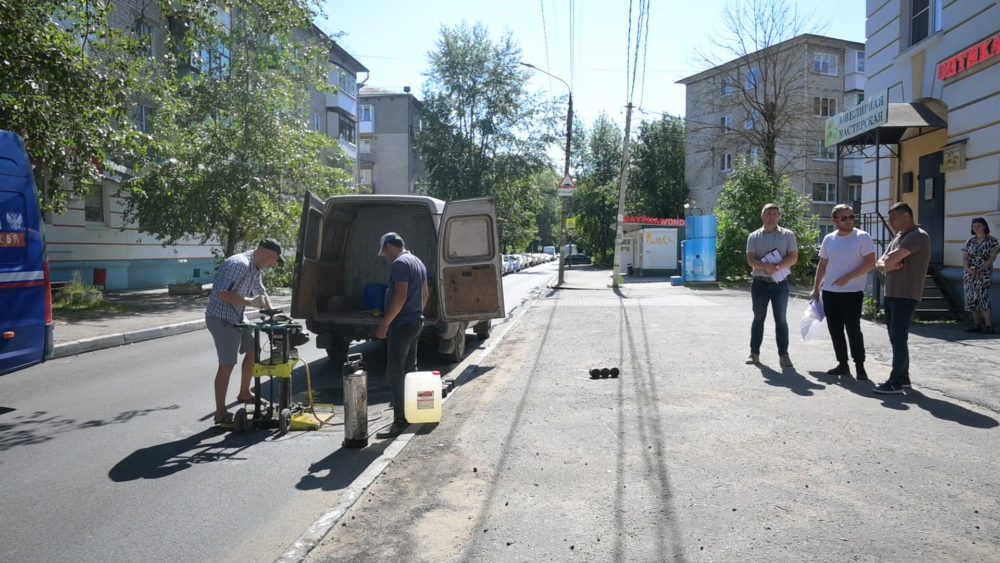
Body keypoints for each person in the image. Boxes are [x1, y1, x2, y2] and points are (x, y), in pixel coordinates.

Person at [206, 239, 283, 424]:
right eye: (274, 260)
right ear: (268, 255)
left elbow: (261, 292)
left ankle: (244, 393)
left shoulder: (255, 267)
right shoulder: (238, 264)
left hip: (237, 316)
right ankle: (220, 412)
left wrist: (271, 312)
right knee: (227, 364)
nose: (273, 264)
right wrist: (250, 303)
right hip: (221, 317)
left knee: (253, 350)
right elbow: (222, 294)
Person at [810, 204, 876, 380]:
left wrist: (848, 277)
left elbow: (870, 262)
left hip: (853, 292)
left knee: (853, 328)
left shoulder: (862, 237)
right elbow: (822, 265)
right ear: (835, 220)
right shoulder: (829, 239)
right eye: (844, 218)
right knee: (835, 329)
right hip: (830, 292)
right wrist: (816, 288)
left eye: (851, 217)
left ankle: (860, 366)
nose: (848, 221)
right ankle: (842, 364)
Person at [375, 232, 429, 439]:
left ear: (390, 246)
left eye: (385, 251)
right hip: (416, 321)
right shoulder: (417, 261)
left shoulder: (400, 264)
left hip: (403, 324)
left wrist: (386, 322)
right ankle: (413, 413)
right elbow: (425, 294)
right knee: (410, 370)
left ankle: (400, 421)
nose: (386, 256)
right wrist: (417, 313)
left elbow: (400, 295)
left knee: (395, 373)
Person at [873, 202, 930, 394]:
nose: (891, 223)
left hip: (906, 295)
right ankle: (903, 378)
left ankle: (895, 381)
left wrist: (886, 264)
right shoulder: (899, 236)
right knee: (895, 338)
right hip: (892, 293)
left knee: (898, 338)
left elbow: (887, 261)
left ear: (907, 216)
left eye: (894, 219)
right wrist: (886, 265)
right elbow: (881, 261)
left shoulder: (918, 236)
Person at [745, 203, 799, 367]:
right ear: (762, 216)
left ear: (779, 217)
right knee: (758, 319)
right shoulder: (754, 236)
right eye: (768, 213)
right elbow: (750, 259)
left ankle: (784, 355)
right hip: (760, 283)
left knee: (781, 320)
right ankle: (754, 354)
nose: (772, 216)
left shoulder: (788, 235)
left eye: (775, 214)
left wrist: (776, 267)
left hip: (780, 284)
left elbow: (793, 257)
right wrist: (764, 267)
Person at [962, 217, 999, 334]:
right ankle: (976, 324)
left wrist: (982, 269)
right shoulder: (969, 241)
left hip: (984, 272)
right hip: (970, 273)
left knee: (983, 297)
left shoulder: (992, 241)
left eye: (978, 226)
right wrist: (967, 268)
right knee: (971, 298)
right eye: (974, 226)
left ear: (984, 226)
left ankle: (989, 325)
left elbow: (992, 258)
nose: (976, 228)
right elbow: (965, 257)